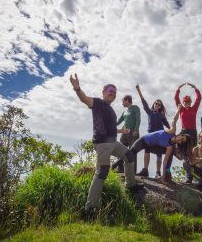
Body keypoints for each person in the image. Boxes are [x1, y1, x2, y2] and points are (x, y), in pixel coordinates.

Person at [69, 74, 141, 214]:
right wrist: (77, 89)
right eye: (110, 91)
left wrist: (121, 130)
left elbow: (110, 128)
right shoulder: (98, 103)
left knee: (129, 155)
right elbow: (85, 99)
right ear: (103, 93)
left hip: (113, 142)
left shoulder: (111, 110)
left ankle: (131, 186)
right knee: (102, 171)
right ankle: (91, 208)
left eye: (114, 92)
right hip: (102, 144)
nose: (113, 94)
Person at [130, 104, 194, 184]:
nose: (180, 138)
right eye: (181, 137)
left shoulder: (171, 147)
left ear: (181, 144)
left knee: (172, 153)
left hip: (160, 147)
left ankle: (167, 172)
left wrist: (163, 177)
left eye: (182, 141)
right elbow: (174, 120)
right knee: (130, 152)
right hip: (148, 143)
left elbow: (165, 161)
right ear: (180, 134)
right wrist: (179, 109)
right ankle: (118, 167)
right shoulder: (172, 132)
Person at [134, 84, 170, 178]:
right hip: (150, 135)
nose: (157, 105)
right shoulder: (150, 112)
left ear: (161, 106)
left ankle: (158, 172)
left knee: (159, 153)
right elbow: (144, 102)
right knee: (147, 149)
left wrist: (172, 133)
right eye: (156, 103)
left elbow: (168, 125)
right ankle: (145, 170)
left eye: (159, 104)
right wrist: (138, 90)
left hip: (160, 136)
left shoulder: (162, 115)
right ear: (154, 104)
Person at [173, 82, 202, 183]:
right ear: (183, 102)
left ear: (190, 102)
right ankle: (180, 155)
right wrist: (178, 89)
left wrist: (195, 88)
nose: (187, 103)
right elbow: (176, 99)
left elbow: (199, 99)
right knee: (177, 147)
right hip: (184, 131)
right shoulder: (181, 109)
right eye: (185, 102)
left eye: (188, 101)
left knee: (192, 153)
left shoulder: (194, 108)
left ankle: (190, 177)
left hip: (192, 132)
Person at [112, 95, 141, 172]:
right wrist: (110, 126)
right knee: (120, 150)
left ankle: (133, 171)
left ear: (127, 100)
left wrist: (136, 130)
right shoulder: (124, 112)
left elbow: (138, 119)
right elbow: (118, 121)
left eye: (123, 101)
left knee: (133, 152)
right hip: (124, 133)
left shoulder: (135, 108)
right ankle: (120, 169)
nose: (122, 103)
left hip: (133, 133)